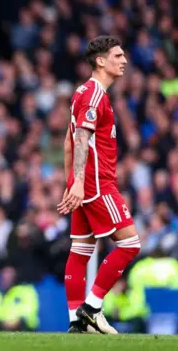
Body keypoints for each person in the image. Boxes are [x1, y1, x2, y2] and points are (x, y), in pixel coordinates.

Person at [58, 35, 141, 334]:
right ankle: (92, 308)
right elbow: (80, 138)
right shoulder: (93, 94)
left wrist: (70, 182)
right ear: (100, 61)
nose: (124, 61)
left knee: (80, 250)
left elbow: (68, 142)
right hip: (96, 182)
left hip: (83, 181)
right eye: (118, 56)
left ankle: (75, 323)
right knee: (130, 243)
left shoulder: (84, 93)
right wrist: (79, 182)